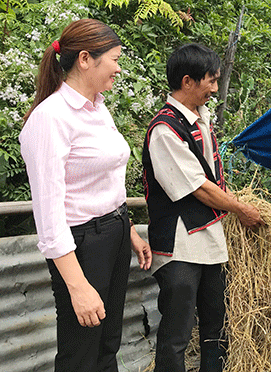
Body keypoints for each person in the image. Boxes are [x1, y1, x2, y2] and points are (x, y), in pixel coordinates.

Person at [19, 19, 152, 371]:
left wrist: (130, 230)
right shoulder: (50, 119)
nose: (119, 68)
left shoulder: (97, 107)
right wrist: (78, 286)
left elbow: (106, 178)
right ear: (84, 59)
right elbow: (48, 218)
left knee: (108, 345)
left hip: (114, 232)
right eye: (114, 59)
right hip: (82, 246)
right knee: (81, 352)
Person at [142, 43, 263, 372]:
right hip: (181, 247)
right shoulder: (165, 130)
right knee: (177, 334)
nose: (214, 88)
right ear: (187, 82)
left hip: (209, 243)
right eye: (210, 80)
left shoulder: (199, 120)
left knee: (215, 328)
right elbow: (198, 188)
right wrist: (240, 208)